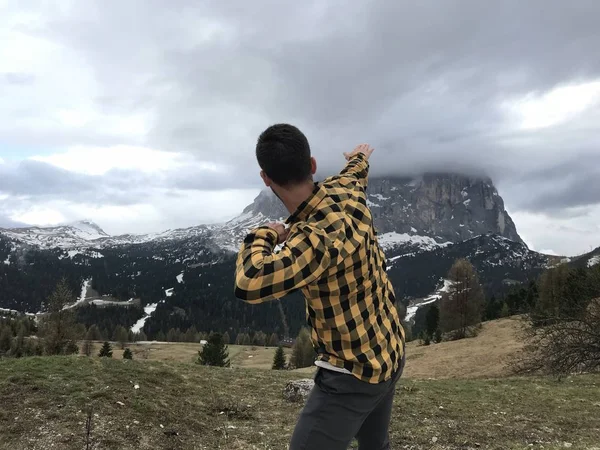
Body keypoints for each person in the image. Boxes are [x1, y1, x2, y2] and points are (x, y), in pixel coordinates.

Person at [234, 123, 405, 450]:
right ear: (312, 165)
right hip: (391, 348)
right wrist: (358, 156)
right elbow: (356, 172)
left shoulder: (309, 241)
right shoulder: (346, 189)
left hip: (352, 373)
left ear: (265, 178)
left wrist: (267, 234)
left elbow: (249, 280)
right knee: (375, 445)